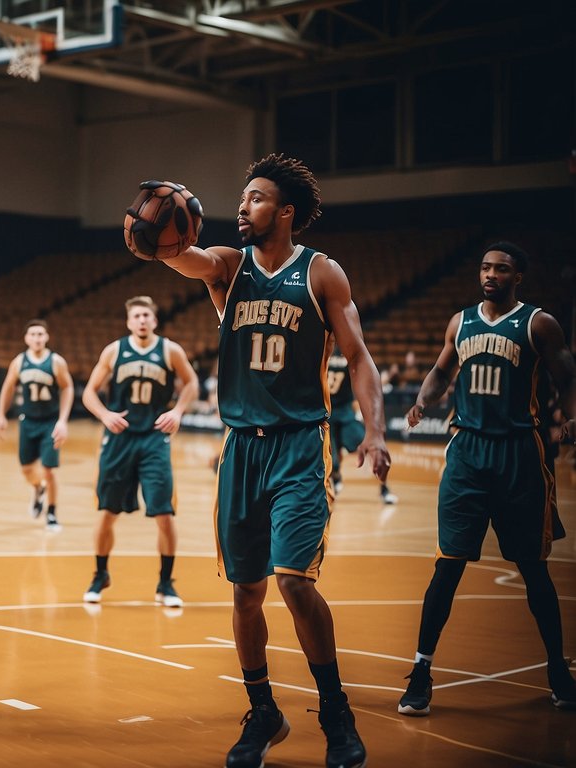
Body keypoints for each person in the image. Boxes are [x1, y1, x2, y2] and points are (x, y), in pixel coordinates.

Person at [152, 156, 389, 768]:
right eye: (241, 197)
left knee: (293, 581)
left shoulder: (321, 273)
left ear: (285, 212)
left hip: (300, 445)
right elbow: (187, 258)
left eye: (255, 198)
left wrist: (375, 430)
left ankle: (336, 711)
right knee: (247, 592)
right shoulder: (229, 268)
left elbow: (359, 358)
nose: (242, 206)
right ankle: (264, 712)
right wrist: (160, 238)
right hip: (242, 448)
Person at [397, 241, 576, 716]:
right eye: (485, 267)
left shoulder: (538, 323)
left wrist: (571, 417)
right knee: (448, 565)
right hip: (467, 455)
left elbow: (567, 376)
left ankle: (558, 670)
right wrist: (422, 400)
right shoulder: (461, 321)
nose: (490, 275)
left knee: (533, 568)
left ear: (518, 277)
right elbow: (440, 371)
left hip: (520, 453)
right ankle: (420, 671)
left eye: (501, 269)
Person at [79, 297, 198, 606]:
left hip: (154, 440)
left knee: (164, 514)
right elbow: (89, 392)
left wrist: (179, 411)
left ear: (154, 321)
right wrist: (105, 415)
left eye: (147, 315)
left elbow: (191, 383)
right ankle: (100, 573)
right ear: (129, 322)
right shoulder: (114, 350)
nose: (142, 320)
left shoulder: (170, 350)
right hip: (119, 440)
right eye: (137, 316)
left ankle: (165, 583)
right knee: (107, 512)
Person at [0, 319, 73, 531]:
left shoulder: (56, 362)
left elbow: (67, 388)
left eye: (41, 334)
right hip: (27, 421)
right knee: (27, 469)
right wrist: (1, 415)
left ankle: (52, 514)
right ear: (26, 338)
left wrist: (63, 421)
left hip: (50, 422)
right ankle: (38, 489)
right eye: (33, 334)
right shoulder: (19, 362)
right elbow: (8, 388)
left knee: (49, 470)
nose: (37, 338)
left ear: (47, 337)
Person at [327, 346, 397, 504]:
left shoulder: (342, 352)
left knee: (372, 447)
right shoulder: (336, 352)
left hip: (345, 413)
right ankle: (337, 478)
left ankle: (384, 489)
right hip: (328, 415)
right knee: (332, 460)